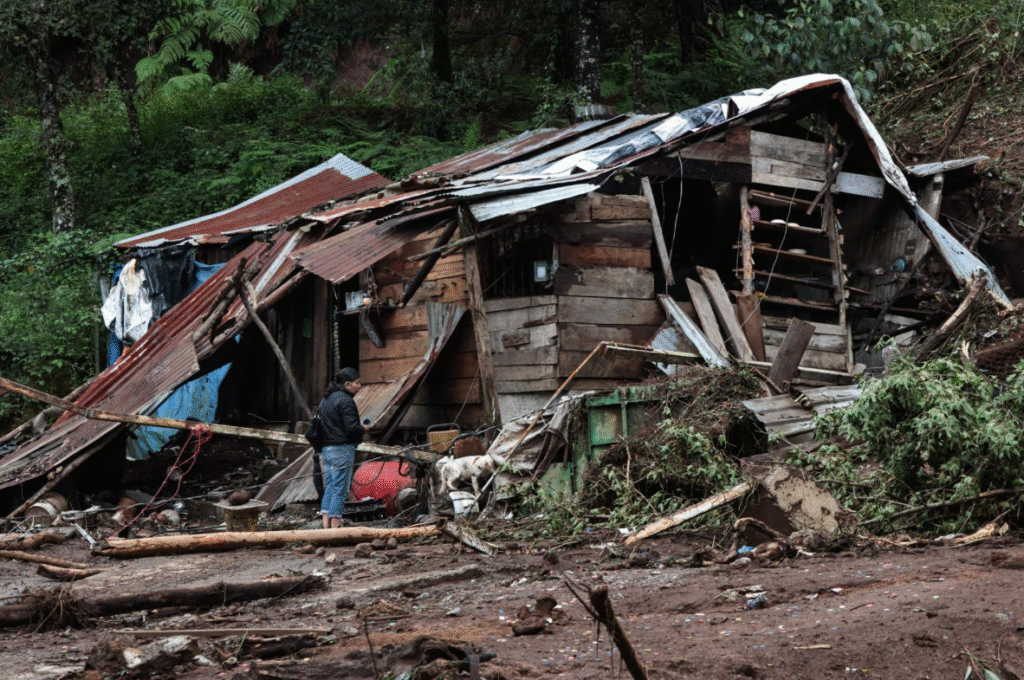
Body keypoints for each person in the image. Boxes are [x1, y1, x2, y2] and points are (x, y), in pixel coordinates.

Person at [317, 367, 368, 528]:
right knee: (340, 490)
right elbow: (352, 428)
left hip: (326, 449)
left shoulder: (326, 400)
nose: (359, 386)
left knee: (330, 487)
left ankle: (326, 527)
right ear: (347, 384)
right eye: (357, 383)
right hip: (342, 449)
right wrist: (365, 428)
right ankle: (335, 528)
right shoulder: (346, 401)